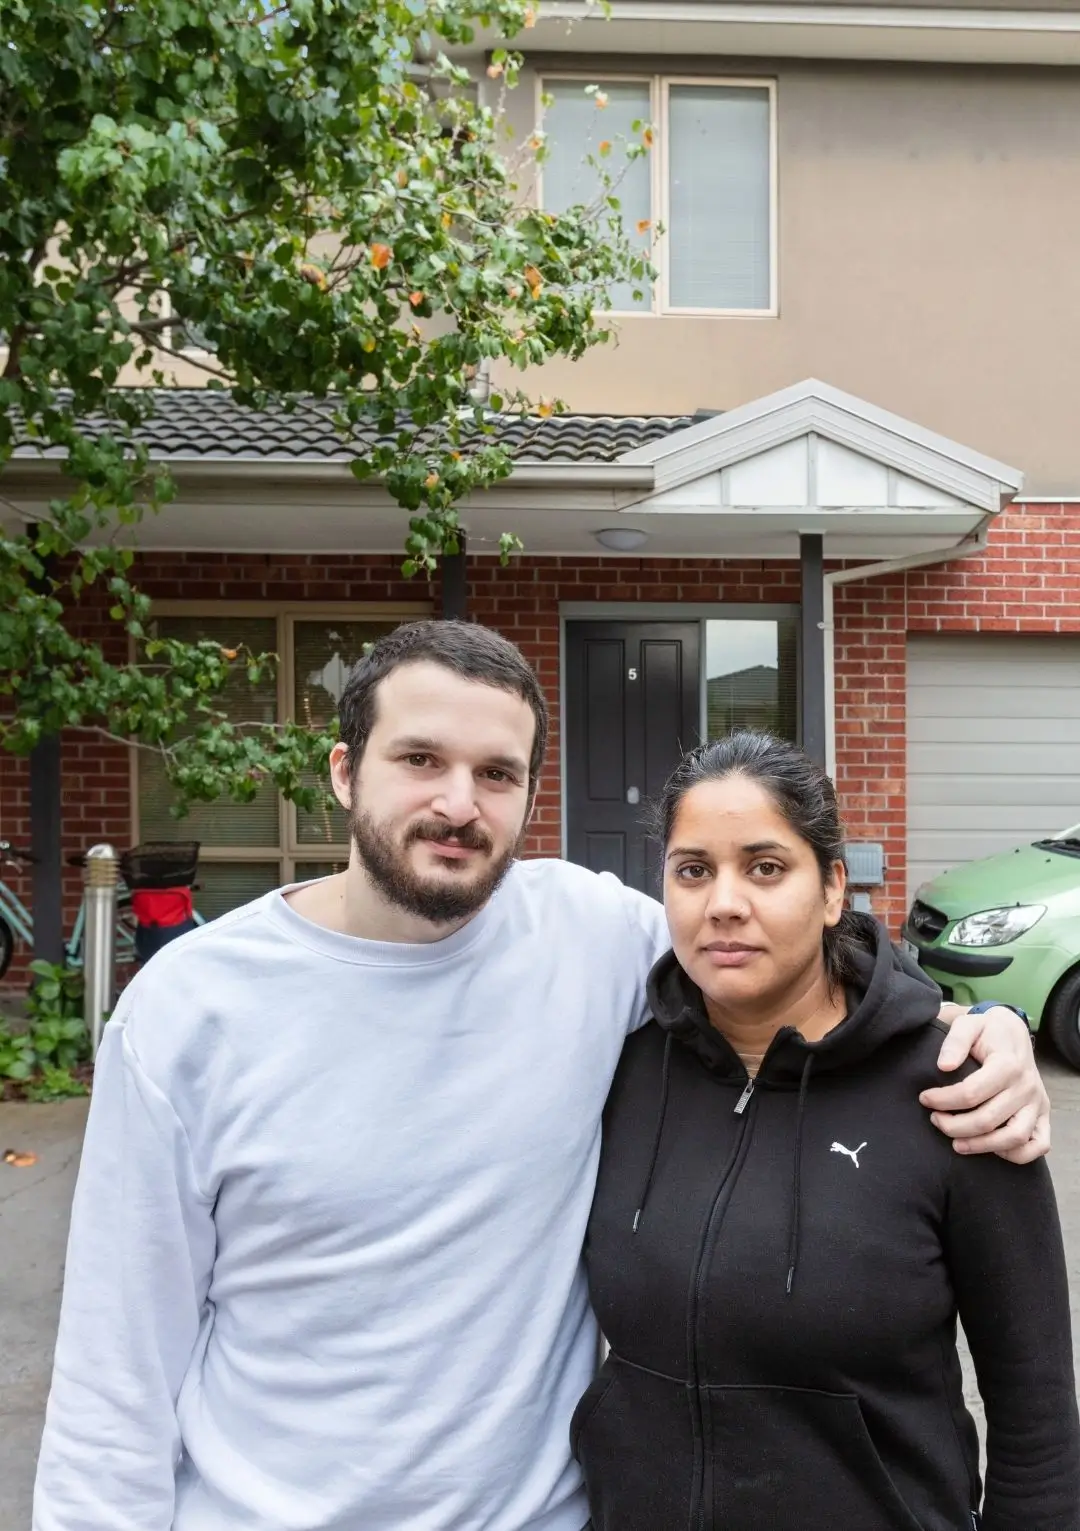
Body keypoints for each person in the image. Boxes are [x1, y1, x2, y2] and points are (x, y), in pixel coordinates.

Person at [33, 623, 1049, 1531]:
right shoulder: (190, 1010)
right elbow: (114, 1375)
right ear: (344, 771)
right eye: (419, 759)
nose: (457, 803)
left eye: (497, 771)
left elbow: (794, 965)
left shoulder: (592, 939)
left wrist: (984, 1025)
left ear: (529, 791)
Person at [575, 732, 1079, 1531]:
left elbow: (1038, 1420)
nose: (725, 901)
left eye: (766, 867)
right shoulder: (622, 1071)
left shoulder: (960, 1088)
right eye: (693, 869)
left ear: (833, 887)